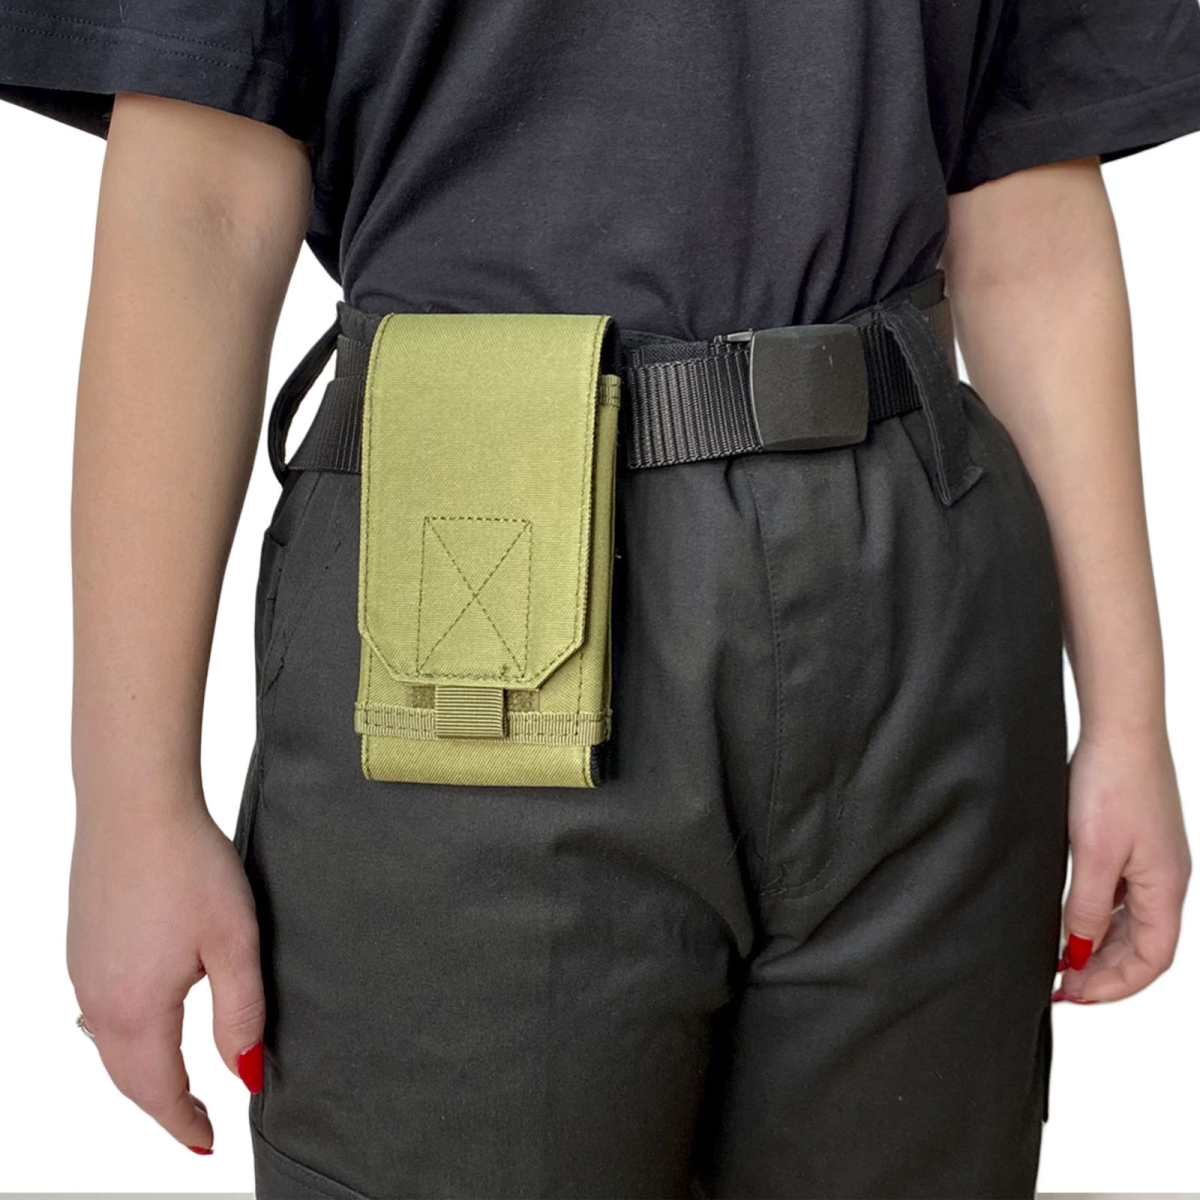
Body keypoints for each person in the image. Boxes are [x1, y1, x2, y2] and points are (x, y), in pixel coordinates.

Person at [2, 1, 1197, 1196]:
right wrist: (131, 801)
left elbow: (1026, 189)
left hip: (919, 600)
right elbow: (201, 204)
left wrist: (1129, 717)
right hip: (473, 575)